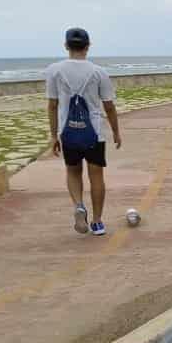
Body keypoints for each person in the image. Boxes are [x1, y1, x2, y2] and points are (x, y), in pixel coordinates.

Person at [45, 28, 121, 236]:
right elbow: (109, 106)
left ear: (66, 46)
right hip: (94, 133)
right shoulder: (98, 72)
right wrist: (116, 131)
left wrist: (54, 135)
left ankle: (79, 205)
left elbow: (52, 105)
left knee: (73, 171)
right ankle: (97, 222)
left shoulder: (54, 71)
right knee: (96, 175)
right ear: (88, 46)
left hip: (68, 132)